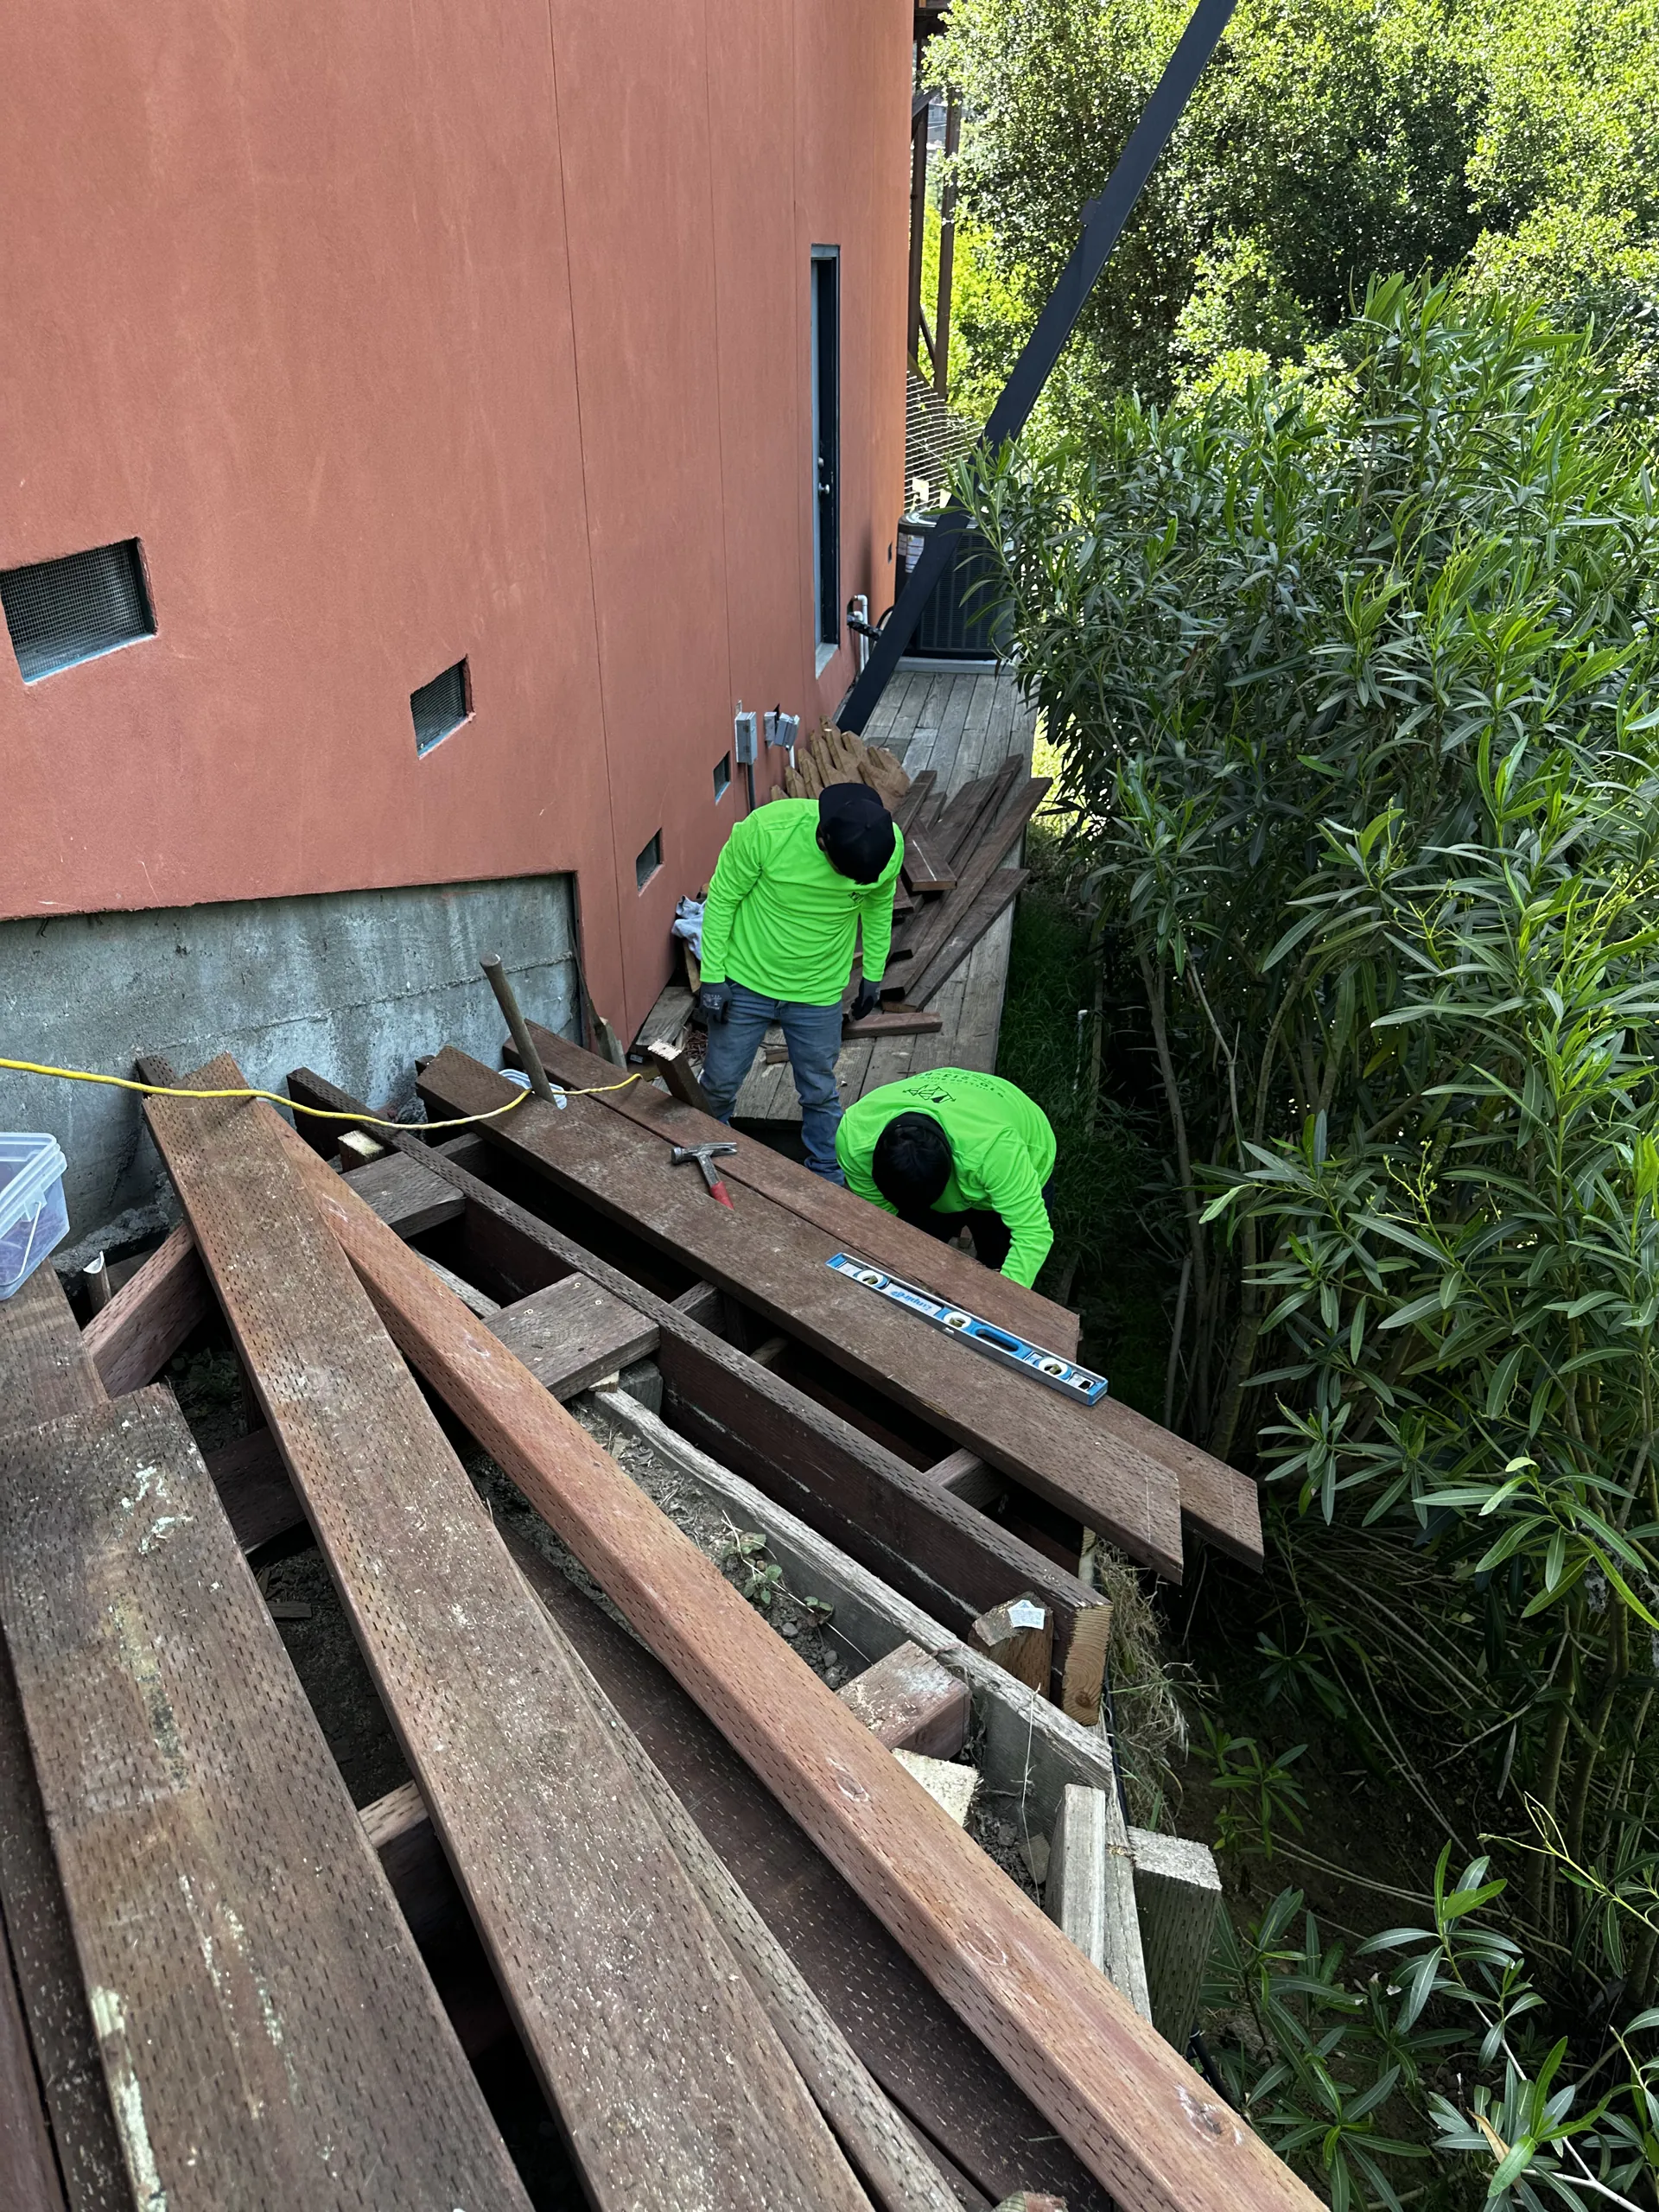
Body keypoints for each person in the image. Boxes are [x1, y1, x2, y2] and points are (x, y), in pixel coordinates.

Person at [697, 782, 904, 1180]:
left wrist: (873, 976)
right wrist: (712, 978)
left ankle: (829, 1174)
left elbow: (878, 909)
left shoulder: (885, 846)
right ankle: (711, 1149)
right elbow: (722, 899)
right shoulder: (768, 830)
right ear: (822, 841)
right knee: (720, 1083)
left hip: (818, 992)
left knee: (819, 1090)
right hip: (747, 979)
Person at [836, 1068, 1057, 1287]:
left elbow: (1032, 1234)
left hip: (1019, 1146)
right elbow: (885, 1223)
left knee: (997, 1257)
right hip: (964, 1146)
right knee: (914, 1249)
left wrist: (1000, 1301)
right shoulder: (855, 1138)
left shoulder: (995, 1152)